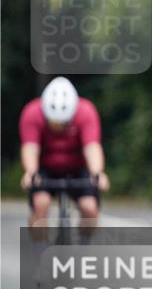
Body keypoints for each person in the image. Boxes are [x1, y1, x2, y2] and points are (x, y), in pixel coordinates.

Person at [19, 77, 109, 243]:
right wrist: (31, 172)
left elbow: (91, 147)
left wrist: (97, 173)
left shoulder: (86, 112)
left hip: (78, 167)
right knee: (40, 204)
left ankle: (84, 244)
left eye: (63, 123)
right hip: (45, 168)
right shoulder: (32, 113)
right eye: (53, 123)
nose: (58, 128)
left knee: (89, 208)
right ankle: (40, 249)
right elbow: (30, 147)